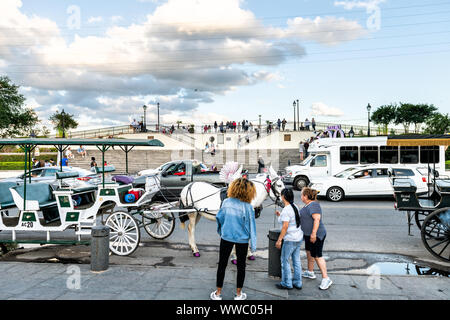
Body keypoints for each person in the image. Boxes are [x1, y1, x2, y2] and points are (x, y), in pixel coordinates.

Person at [211, 178, 257, 301]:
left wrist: (222, 230)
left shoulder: (226, 202)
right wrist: (253, 244)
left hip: (227, 237)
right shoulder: (248, 207)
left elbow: (219, 218)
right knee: (241, 266)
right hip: (242, 239)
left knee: (222, 264)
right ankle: (238, 294)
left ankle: (218, 293)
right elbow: (251, 226)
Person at [300, 188, 332, 290]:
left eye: (302, 195)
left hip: (316, 235)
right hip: (308, 235)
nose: (301, 197)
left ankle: (326, 278)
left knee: (317, 255)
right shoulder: (308, 205)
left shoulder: (314, 204)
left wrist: (313, 234)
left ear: (305, 196)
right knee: (309, 253)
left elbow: (317, 219)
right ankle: (310, 272)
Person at [275, 188, 303, 290]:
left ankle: (287, 283)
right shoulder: (294, 206)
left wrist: (279, 240)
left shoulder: (286, 210)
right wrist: (280, 215)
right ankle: (298, 282)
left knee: (284, 261)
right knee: (296, 261)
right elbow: (292, 220)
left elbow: (285, 226)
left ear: (283, 197)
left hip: (290, 239)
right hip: (298, 237)